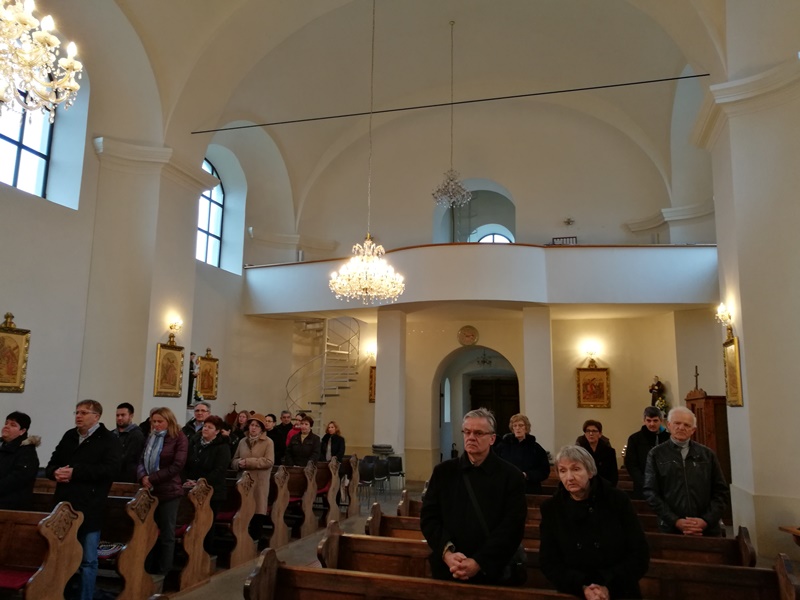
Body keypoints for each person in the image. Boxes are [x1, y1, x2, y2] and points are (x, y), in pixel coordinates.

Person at [420, 408, 527, 585]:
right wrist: (447, 554)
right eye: (467, 432)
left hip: (492, 571)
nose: (471, 437)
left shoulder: (511, 476)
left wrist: (479, 562)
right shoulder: (443, 472)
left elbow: (512, 527)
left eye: (478, 433)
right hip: (450, 569)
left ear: (492, 439)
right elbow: (429, 518)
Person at [540, 445, 649, 599]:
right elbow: (549, 561)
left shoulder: (617, 500)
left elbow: (639, 553)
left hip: (620, 590)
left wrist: (608, 587)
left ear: (590, 472)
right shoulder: (552, 508)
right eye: (563, 471)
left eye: (576, 469)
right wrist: (582, 587)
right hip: (574, 592)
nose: (569, 477)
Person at [45, 400, 122, 600]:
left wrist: (75, 472)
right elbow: (52, 462)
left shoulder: (108, 439)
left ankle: (85, 597)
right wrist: (55, 472)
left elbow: (111, 470)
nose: (78, 416)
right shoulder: (70, 436)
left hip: (90, 505)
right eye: (77, 412)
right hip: (64, 507)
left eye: (84, 412)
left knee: (88, 559)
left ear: (96, 416)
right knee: (62, 555)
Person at [644, 406, 730, 536]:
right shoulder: (656, 454)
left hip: (706, 529)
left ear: (693, 430)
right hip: (671, 528)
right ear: (669, 425)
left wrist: (705, 520)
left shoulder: (707, 455)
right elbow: (651, 492)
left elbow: (721, 492)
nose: (681, 427)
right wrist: (675, 521)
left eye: (687, 425)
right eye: (677, 423)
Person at [137, 407, 188, 574]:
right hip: (150, 491)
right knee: (149, 531)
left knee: (167, 533)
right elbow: (141, 460)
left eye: (160, 421)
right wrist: (143, 476)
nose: (156, 425)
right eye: (154, 421)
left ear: (169, 421)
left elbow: (177, 465)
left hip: (169, 491)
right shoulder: (151, 437)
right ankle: (147, 569)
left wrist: (152, 478)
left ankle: (163, 571)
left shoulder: (179, 437)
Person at [183, 414, 232, 553]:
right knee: (192, 520)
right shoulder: (194, 442)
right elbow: (186, 463)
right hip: (192, 489)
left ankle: (205, 552)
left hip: (213, 491)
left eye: (210, 427)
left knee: (207, 522)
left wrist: (200, 482)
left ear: (217, 431)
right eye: (205, 426)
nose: (205, 429)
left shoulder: (222, 447)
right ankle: (191, 551)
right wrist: (187, 479)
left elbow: (219, 470)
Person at [230, 413, 274, 540]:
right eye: (251, 425)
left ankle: (255, 540)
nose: (253, 428)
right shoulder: (242, 441)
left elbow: (269, 461)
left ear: (262, 428)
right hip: (243, 482)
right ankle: (241, 539)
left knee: (257, 510)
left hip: (259, 482)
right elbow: (234, 460)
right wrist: (238, 463)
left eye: (257, 426)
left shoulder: (268, 442)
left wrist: (248, 462)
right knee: (243, 510)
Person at [494, 413, 550, 494]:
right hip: (507, 488)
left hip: (529, 488)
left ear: (526, 428)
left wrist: (527, 475)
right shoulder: (502, 446)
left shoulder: (536, 448)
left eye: (521, 425)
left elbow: (544, 471)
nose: (517, 428)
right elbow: (495, 465)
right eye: (515, 426)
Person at [624, 406, 669, 499]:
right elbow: (631, 464)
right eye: (649, 420)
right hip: (643, 486)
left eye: (655, 421)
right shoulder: (635, 439)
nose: (652, 424)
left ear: (661, 421)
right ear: (644, 421)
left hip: (665, 486)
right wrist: (644, 481)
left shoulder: (668, 438)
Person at [0, 411, 40, 510]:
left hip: (11, 505)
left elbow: (18, 478)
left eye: (13, 425)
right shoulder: (2, 446)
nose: (6, 426)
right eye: (6, 423)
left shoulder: (27, 452)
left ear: (22, 431)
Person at [575, 420, 618, 487]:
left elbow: (613, 474)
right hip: (585, 485)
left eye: (594, 431)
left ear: (600, 434)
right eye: (588, 431)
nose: (591, 434)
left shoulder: (609, 452)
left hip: (604, 486)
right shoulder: (579, 451)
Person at [113, 402, 145, 482]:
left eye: (123, 415)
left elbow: (131, 459)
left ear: (131, 416)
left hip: (127, 478)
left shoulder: (136, 435)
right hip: (112, 476)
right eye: (117, 415)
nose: (119, 418)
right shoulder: (112, 434)